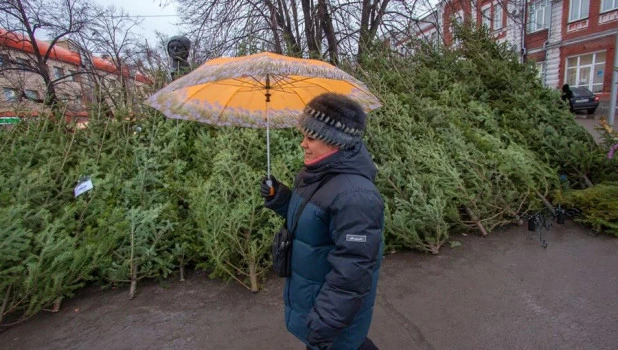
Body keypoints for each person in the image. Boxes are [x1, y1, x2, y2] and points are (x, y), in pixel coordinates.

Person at [260, 93, 384, 350]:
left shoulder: (355, 195)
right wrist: (281, 199)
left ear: (334, 141)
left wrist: (326, 321)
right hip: (317, 304)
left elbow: (353, 270)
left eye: (311, 137)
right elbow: (313, 224)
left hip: (332, 317)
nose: (303, 144)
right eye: (303, 136)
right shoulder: (316, 176)